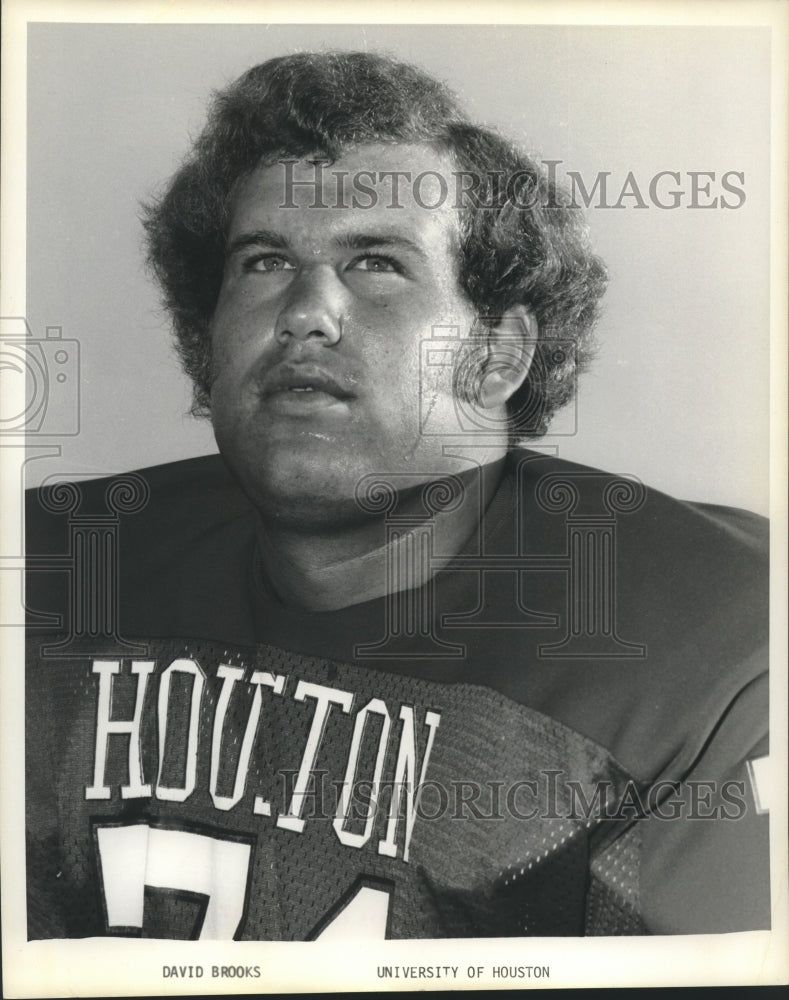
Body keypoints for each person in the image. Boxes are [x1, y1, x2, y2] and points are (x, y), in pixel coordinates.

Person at [25, 51, 769, 940]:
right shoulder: (49, 568)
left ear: (498, 355)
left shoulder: (715, 637)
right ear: (205, 334)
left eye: (376, 262)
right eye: (263, 261)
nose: (305, 311)